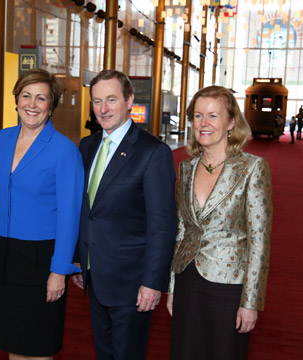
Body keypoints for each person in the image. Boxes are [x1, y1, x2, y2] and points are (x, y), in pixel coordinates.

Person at [71, 70, 177, 360]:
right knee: (104, 353)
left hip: (132, 283)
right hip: (94, 276)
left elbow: (162, 225)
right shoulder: (87, 145)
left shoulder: (153, 152)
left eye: (111, 100)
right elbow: (87, 209)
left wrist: (153, 282)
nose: (103, 109)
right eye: (96, 102)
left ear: (129, 100)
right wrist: (80, 257)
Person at [166, 85, 273, 360]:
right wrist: (172, 287)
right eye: (198, 116)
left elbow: (259, 241)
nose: (204, 123)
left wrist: (251, 302)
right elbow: (181, 230)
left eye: (213, 116)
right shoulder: (186, 168)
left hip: (229, 285)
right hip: (188, 278)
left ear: (231, 122)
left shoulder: (252, 168)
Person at [0, 68, 84, 360]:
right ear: (16, 100)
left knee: (38, 345)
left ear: (51, 106)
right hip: (1, 255)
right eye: (26, 95)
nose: (32, 104)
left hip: (41, 258)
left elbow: (70, 216)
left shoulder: (65, 151)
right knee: (12, 342)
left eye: (41, 98)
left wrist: (59, 271)